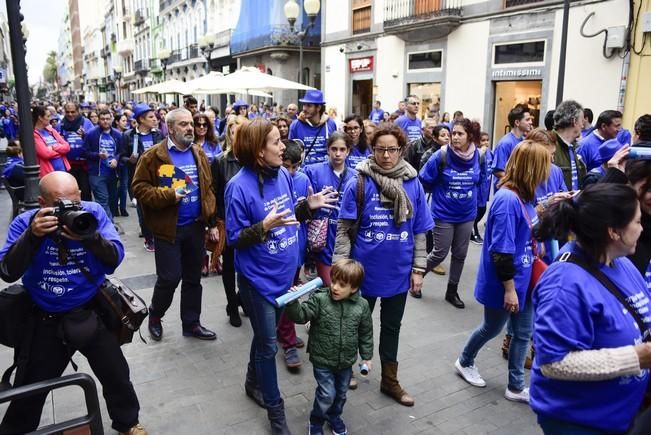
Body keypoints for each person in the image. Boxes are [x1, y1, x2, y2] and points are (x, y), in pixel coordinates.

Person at [0, 171, 146, 435]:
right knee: (30, 387)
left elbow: (113, 260)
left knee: (116, 375)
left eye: (73, 202)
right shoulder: (26, 222)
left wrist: (89, 236)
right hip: (45, 316)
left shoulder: (93, 214)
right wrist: (33, 236)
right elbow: (7, 270)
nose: (69, 209)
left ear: (80, 195)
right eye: (59, 204)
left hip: (90, 311)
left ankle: (128, 423)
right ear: (42, 203)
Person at [225, 117, 337, 434]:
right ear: (259, 151)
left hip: (285, 276)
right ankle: (276, 412)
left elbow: (290, 216)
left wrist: (308, 207)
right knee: (268, 345)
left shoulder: (283, 176)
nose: (283, 147)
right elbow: (233, 238)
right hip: (258, 281)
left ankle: (251, 381)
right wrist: (263, 227)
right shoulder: (238, 187)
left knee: (265, 337)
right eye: (276, 142)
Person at [530, 183, 651, 434]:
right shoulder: (564, 284)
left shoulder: (621, 263)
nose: (642, 228)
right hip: (579, 422)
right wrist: (638, 357)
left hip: (619, 413)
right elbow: (554, 363)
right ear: (614, 232)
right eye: (638, 221)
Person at [333, 122, 433, 407]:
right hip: (362, 273)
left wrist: (418, 269)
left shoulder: (412, 183)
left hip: (399, 273)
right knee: (354, 323)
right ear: (372, 149)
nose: (386, 155)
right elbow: (344, 229)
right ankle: (347, 368)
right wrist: (340, 268)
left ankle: (390, 380)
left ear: (401, 150)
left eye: (392, 149)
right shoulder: (360, 181)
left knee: (392, 327)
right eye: (380, 149)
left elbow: (420, 230)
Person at [454, 140, 551, 405]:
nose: (549, 172)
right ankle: (465, 361)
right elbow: (501, 252)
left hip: (524, 278)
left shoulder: (524, 196)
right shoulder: (507, 200)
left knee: (522, 332)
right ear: (533, 169)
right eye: (545, 166)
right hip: (506, 282)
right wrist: (509, 289)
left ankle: (516, 386)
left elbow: (526, 231)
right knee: (492, 327)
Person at [132, 108, 218, 342]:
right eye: (183, 124)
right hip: (168, 230)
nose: (190, 128)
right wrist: (168, 195)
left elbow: (207, 188)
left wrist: (211, 221)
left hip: (195, 226)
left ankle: (191, 323)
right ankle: (155, 315)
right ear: (170, 128)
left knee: (193, 279)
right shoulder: (153, 156)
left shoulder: (199, 153)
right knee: (169, 278)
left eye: (191, 124)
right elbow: (138, 188)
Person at [285, 259, 373, 435]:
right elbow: (301, 316)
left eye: (342, 285)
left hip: (346, 361)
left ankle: (334, 417)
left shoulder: (362, 306)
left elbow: (366, 333)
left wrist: (367, 357)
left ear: (354, 288)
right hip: (322, 359)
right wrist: (293, 302)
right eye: (333, 281)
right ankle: (316, 420)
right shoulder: (320, 299)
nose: (335, 287)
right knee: (327, 394)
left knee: (340, 394)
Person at [418, 118, 487, 308]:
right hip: (443, 213)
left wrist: (479, 205)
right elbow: (423, 179)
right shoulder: (441, 155)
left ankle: (452, 291)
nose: (454, 137)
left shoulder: (479, 156)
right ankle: (416, 276)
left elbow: (481, 181)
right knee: (439, 253)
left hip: (466, 214)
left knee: (460, 254)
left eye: (459, 134)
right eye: (453, 133)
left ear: (470, 136)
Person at [305, 132, 357, 286]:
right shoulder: (312, 171)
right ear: (327, 149)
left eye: (342, 149)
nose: (338, 154)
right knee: (331, 287)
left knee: (346, 287)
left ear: (348, 151)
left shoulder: (356, 177)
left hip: (346, 237)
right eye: (334, 149)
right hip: (324, 239)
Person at [212, 115, 249, 327]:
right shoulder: (220, 161)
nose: (241, 137)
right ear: (230, 135)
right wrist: (214, 224)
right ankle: (232, 306)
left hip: (249, 224)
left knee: (247, 267)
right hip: (227, 223)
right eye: (236, 132)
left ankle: (241, 299)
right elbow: (214, 194)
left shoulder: (254, 159)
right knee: (229, 268)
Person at [278, 139, 310, 370]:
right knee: (284, 294)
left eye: (294, 167)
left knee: (292, 292)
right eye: (286, 166)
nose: (290, 172)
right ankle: (287, 342)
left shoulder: (304, 179)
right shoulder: (273, 180)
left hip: (297, 246)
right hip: (277, 249)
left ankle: (285, 331)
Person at [118, 103, 165, 251]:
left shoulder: (158, 134)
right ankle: (148, 237)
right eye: (151, 117)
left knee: (159, 205)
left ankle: (159, 233)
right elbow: (121, 157)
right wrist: (129, 160)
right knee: (143, 208)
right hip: (139, 176)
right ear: (141, 119)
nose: (155, 120)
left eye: (155, 117)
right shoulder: (128, 135)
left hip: (158, 176)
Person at [84, 109, 121, 221]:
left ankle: (108, 220)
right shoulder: (91, 134)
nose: (105, 121)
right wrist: (97, 155)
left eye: (107, 119)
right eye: (102, 119)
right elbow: (85, 152)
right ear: (98, 120)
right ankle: (108, 224)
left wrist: (116, 159)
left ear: (112, 119)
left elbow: (122, 151)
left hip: (113, 173)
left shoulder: (118, 134)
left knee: (113, 199)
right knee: (102, 199)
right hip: (97, 173)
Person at [288, 89, 337, 166]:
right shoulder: (295, 125)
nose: (304, 108)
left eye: (309, 105)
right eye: (304, 105)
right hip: (304, 173)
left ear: (318, 107)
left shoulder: (330, 124)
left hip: (325, 172)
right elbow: (290, 152)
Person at [491, 105, 533, 187]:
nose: (531, 122)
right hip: (507, 190)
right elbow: (497, 171)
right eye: (527, 120)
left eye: (531, 119)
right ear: (517, 122)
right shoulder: (505, 143)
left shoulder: (524, 140)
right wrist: (515, 182)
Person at [553, 100, 587, 191]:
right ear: (574, 121)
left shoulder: (573, 147)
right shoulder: (548, 145)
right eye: (582, 122)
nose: (582, 126)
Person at [32, 105, 71, 178]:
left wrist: (53, 147)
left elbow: (67, 147)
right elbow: (45, 153)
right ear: (40, 117)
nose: (50, 119)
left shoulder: (51, 130)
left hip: (63, 169)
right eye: (48, 116)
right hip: (49, 173)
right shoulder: (34, 134)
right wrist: (60, 151)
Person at [471, 131, 493, 244]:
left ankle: (472, 228)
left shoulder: (490, 153)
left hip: (486, 188)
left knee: (483, 209)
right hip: (478, 188)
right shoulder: (477, 153)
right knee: (477, 210)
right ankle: (473, 231)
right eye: (482, 140)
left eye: (487, 140)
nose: (485, 142)